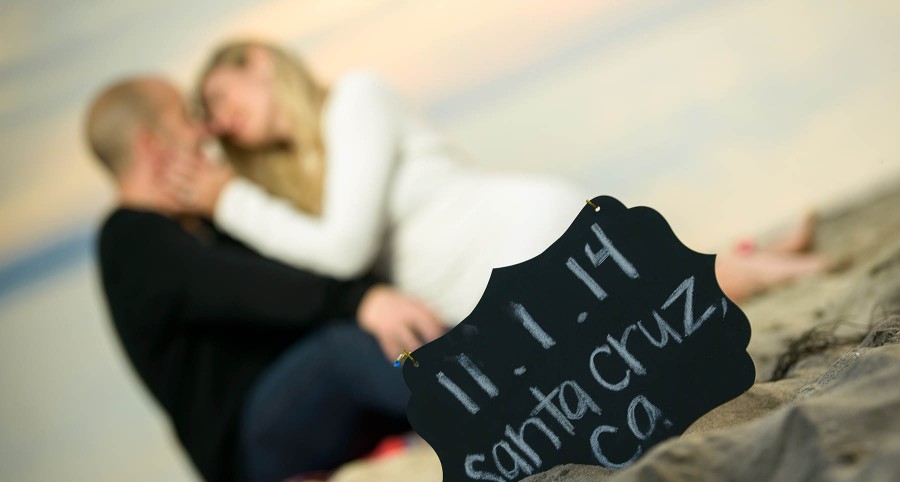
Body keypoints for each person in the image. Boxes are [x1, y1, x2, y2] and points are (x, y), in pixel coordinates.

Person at [168, 40, 828, 328]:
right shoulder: (302, 180)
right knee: (653, 300)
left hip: (525, 236)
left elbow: (341, 251)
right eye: (213, 118)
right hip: (490, 292)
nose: (223, 120)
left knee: (657, 306)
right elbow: (309, 257)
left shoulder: (355, 100)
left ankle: (782, 267)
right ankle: (762, 255)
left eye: (221, 96)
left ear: (259, 62)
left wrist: (228, 196)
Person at [84, 77, 444, 482]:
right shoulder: (132, 239)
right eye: (187, 117)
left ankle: (476, 372)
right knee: (341, 350)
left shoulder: (197, 224)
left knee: (377, 335)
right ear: (151, 145)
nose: (205, 131)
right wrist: (361, 301)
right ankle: (474, 394)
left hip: (317, 409)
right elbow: (252, 289)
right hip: (250, 451)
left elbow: (302, 267)